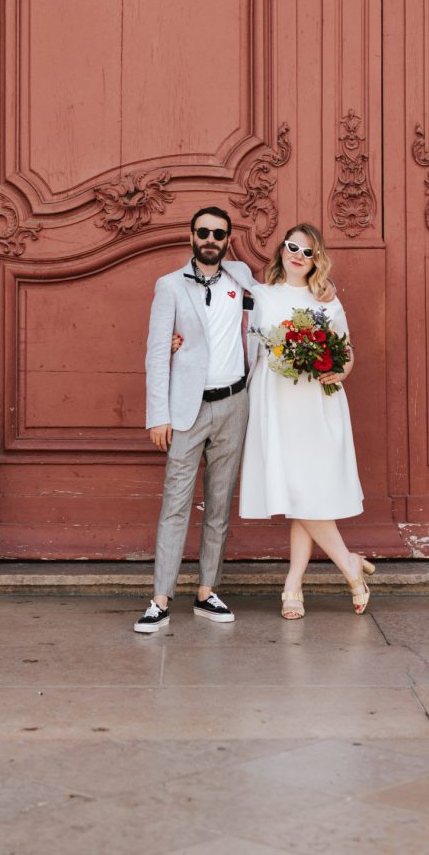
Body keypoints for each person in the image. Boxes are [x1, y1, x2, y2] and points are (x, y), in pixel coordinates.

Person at [238, 223, 373, 618]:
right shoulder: (259, 295)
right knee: (300, 493)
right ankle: (346, 563)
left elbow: (346, 352)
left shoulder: (326, 301)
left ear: (317, 261)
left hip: (315, 402)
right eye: (292, 246)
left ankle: (294, 585)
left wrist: (342, 371)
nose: (298, 255)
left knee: (305, 493)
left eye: (308, 251)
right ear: (281, 249)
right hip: (274, 401)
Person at [134, 207, 256, 634]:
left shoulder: (243, 280)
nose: (210, 239)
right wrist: (158, 415)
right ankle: (160, 599)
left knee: (220, 504)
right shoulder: (168, 286)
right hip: (186, 410)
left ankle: (207, 592)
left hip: (233, 405)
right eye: (203, 232)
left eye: (218, 234)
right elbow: (155, 352)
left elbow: (275, 307)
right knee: (176, 504)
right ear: (191, 236)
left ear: (227, 239)